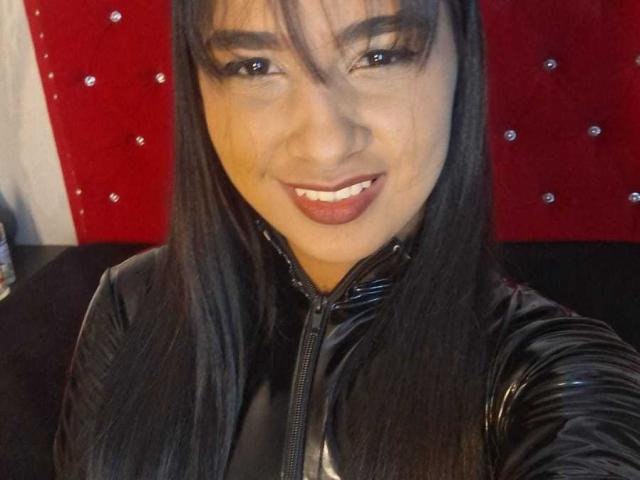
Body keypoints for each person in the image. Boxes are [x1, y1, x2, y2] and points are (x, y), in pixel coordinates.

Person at [52, 0, 640, 478]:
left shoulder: (556, 383)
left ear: (463, 58)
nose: (325, 145)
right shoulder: (134, 307)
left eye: (379, 55)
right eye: (254, 66)